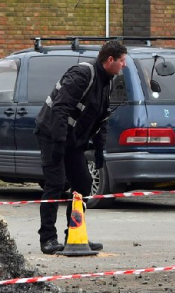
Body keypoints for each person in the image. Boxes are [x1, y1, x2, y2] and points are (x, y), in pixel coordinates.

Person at [34, 40, 128, 254]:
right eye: (122, 61)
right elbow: (59, 108)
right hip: (51, 134)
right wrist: (58, 144)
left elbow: (101, 119)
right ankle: (47, 239)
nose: (125, 65)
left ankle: (74, 233)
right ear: (110, 60)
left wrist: (99, 150)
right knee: (55, 184)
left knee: (83, 183)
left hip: (72, 139)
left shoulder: (109, 82)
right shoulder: (82, 75)